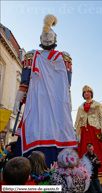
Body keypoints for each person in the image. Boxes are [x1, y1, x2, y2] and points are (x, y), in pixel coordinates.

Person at [13, 14, 76, 167]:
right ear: (55, 41)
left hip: (37, 104)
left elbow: (24, 83)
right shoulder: (65, 58)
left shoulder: (31, 56)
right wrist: (68, 105)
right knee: (60, 130)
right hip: (58, 105)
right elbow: (68, 87)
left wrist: (17, 101)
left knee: (35, 129)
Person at [74, 85, 102, 185]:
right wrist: (78, 132)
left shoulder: (98, 105)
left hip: (96, 130)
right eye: (84, 92)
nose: (86, 94)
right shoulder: (80, 107)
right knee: (84, 151)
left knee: (100, 150)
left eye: (88, 92)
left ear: (91, 94)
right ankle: (84, 177)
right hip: (85, 131)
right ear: (83, 95)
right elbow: (78, 120)